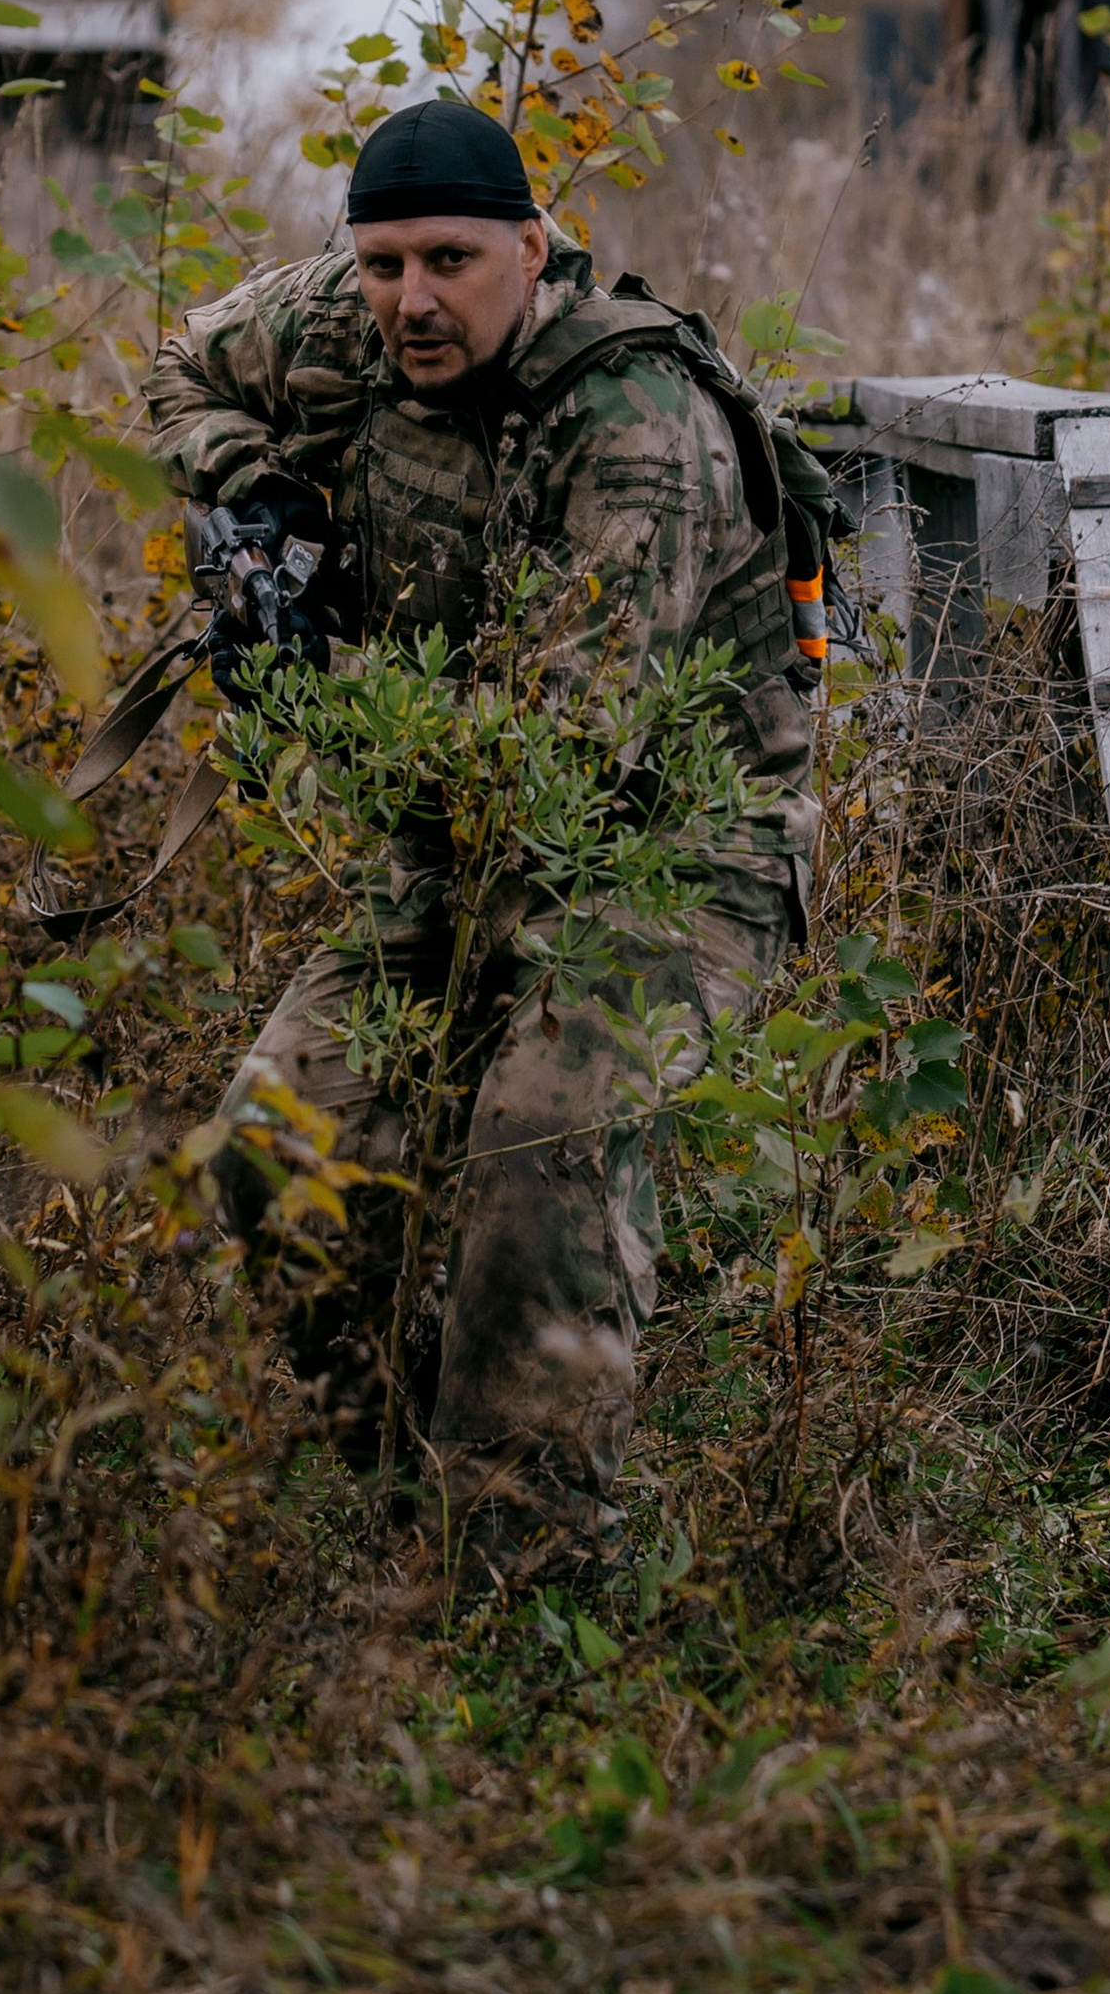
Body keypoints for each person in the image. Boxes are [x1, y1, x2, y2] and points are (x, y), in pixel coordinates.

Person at [145, 95, 822, 1569]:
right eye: (382, 265)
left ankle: (526, 1565)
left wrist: (329, 710)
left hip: (673, 851)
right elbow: (175, 366)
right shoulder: (347, 313)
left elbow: (566, 763)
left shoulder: (632, 425)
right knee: (274, 1137)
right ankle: (380, 1492)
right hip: (456, 835)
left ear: (532, 243)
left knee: (540, 1135)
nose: (411, 304)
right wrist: (256, 507)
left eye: (450, 261)